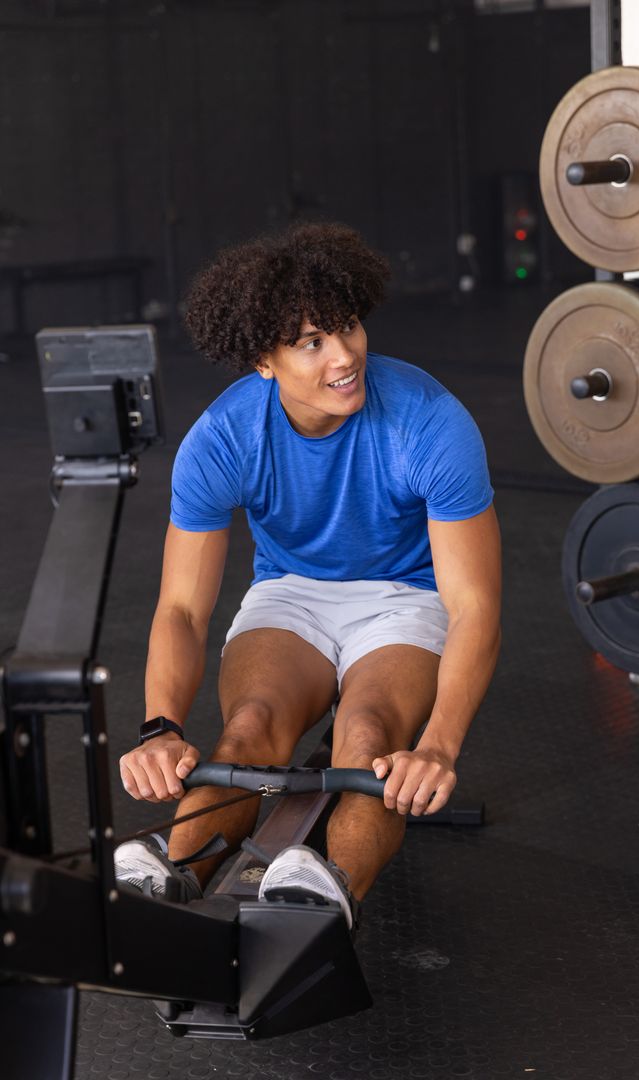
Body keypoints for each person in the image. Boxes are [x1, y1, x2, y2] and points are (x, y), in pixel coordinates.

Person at [113, 221, 501, 930]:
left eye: (347, 326)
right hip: (292, 594)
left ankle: (326, 888)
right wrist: (159, 729)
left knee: (367, 738)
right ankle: (173, 867)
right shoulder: (224, 438)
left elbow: (474, 605)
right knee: (249, 731)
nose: (345, 355)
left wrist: (438, 747)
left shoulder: (430, 421)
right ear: (264, 360)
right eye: (311, 342)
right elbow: (181, 610)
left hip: (404, 597)